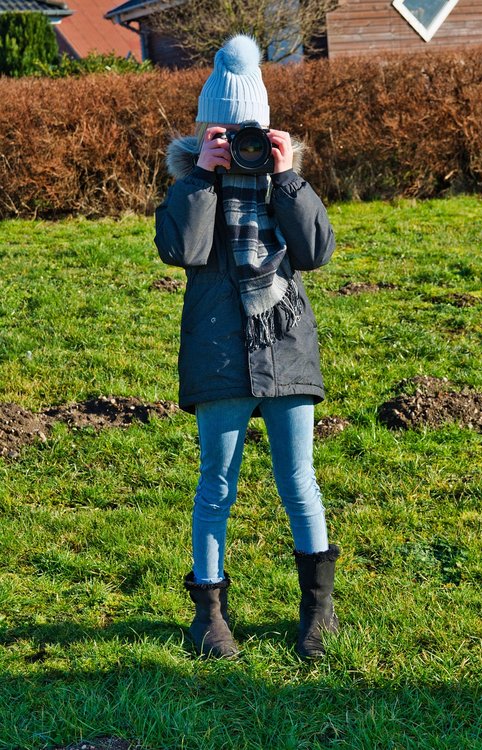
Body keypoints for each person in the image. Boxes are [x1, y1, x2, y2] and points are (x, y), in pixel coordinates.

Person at [154, 34, 339, 659]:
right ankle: (210, 617)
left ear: (266, 128)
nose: (240, 141)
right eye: (226, 131)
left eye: (250, 129)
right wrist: (203, 175)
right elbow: (185, 249)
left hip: (284, 348)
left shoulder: (283, 181)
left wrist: (286, 178)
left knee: (299, 482)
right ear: (208, 130)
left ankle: (318, 612)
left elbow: (313, 252)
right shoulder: (189, 184)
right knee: (216, 486)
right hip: (219, 352)